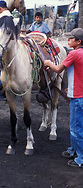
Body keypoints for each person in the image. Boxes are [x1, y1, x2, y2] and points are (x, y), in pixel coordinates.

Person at [44, 28, 83, 168]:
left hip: (78, 98)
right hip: (79, 93)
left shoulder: (73, 54)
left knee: (76, 128)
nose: (68, 40)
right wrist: (70, 87)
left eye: (71, 38)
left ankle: (81, 158)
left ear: (78, 42)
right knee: (75, 126)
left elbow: (58, 69)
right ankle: (74, 150)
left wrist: (48, 63)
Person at [0, 0, 15, 101]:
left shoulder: (2, 17)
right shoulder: (11, 17)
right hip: (11, 48)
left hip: (2, 47)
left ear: (0, 8)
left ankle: (0, 92)